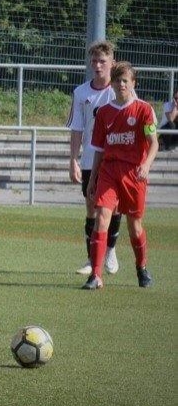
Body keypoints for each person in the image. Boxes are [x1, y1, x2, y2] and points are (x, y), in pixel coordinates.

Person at [82, 61, 158, 290]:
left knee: (134, 226)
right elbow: (99, 150)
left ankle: (141, 267)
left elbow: (154, 143)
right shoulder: (104, 113)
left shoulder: (144, 109)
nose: (121, 84)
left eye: (125, 80)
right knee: (102, 217)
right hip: (109, 172)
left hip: (134, 174)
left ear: (133, 83)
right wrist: (93, 179)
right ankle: (96, 275)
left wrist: (146, 165)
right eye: (117, 80)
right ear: (112, 84)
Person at [66, 40, 123, 276]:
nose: (97, 66)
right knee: (91, 208)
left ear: (112, 63)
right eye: (94, 61)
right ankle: (92, 258)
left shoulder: (120, 91)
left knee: (114, 208)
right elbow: (77, 128)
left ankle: (110, 250)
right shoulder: (81, 92)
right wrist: (73, 160)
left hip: (116, 161)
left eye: (102, 61)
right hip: (90, 159)